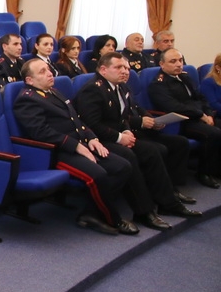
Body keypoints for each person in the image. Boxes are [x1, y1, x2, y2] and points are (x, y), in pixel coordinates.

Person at [75, 52, 199, 229]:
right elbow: (91, 124)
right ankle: (144, 212)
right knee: (130, 156)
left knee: (152, 151)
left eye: (126, 68)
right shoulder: (93, 90)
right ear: (103, 70)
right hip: (97, 140)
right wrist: (120, 137)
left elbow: (123, 116)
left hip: (116, 135)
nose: (125, 71)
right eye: (119, 67)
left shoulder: (120, 86)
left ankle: (168, 203)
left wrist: (126, 130)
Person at [13, 59, 134, 235]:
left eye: (48, 69)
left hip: (80, 144)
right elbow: (41, 132)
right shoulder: (26, 99)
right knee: (98, 175)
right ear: (29, 80)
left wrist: (91, 138)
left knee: (123, 167)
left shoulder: (53, 92)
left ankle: (91, 213)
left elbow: (76, 119)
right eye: (42, 72)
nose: (49, 73)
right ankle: (113, 219)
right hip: (57, 152)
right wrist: (75, 145)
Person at [148, 48, 221, 188]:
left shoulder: (184, 77)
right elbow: (174, 106)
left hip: (200, 117)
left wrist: (209, 114)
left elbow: (201, 98)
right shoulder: (158, 84)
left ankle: (217, 168)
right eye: (173, 61)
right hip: (181, 121)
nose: (178, 64)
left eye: (180, 60)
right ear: (162, 64)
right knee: (213, 133)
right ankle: (205, 173)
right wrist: (201, 115)